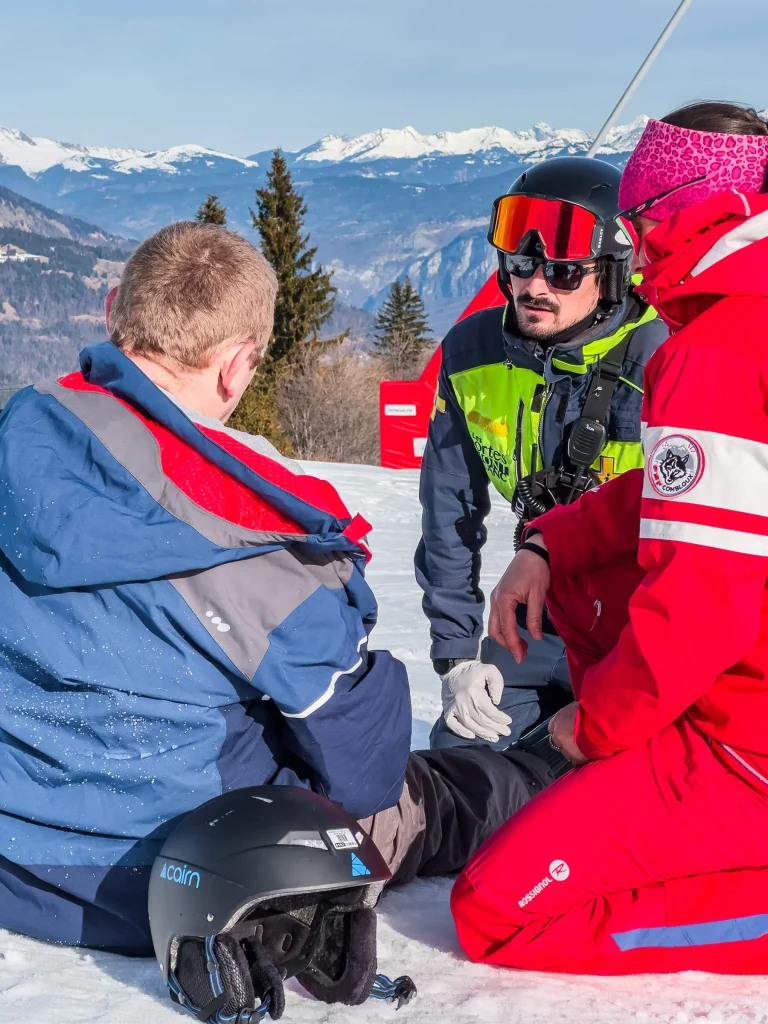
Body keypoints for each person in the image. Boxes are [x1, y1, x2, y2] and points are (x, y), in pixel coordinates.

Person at [0, 221, 551, 955]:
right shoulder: (252, 537)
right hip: (173, 880)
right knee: (441, 796)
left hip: (18, 860)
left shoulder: (20, 440)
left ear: (114, 312)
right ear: (236, 366)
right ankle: (552, 778)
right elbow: (365, 770)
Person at [451, 102, 768, 975]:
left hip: (749, 747)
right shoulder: (742, 320)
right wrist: (551, 543)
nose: (638, 240)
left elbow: (699, 607)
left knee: (494, 912)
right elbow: (696, 492)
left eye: (643, 218)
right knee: (587, 588)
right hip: (739, 693)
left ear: (681, 213)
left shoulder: (719, 350)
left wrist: (587, 734)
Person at [416, 157, 667, 749]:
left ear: (611, 274)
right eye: (522, 264)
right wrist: (455, 655)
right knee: (460, 769)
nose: (533, 286)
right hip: (532, 616)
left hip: (640, 632)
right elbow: (449, 510)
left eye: (563, 272)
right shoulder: (473, 352)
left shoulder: (664, 358)